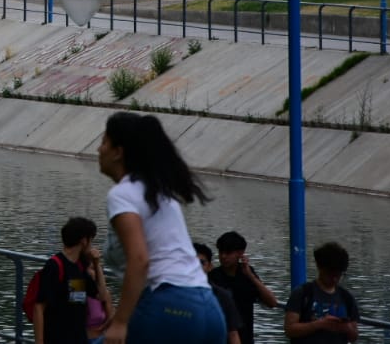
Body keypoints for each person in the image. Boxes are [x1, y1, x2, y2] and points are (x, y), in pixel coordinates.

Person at [97, 112, 224, 344]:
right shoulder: (160, 193)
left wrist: (121, 322)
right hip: (210, 310)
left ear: (118, 152)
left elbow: (139, 259)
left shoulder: (122, 194)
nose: (99, 149)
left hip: (169, 306)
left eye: (104, 141)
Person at [33, 216, 105, 344]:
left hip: (78, 338)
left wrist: (97, 264)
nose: (92, 245)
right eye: (91, 240)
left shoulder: (80, 266)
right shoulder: (54, 266)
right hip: (57, 338)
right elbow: (39, 306)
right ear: (84, 241)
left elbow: (101, 295)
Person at [208, 230, 278, 344]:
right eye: (221, 252)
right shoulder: (213, 277)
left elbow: (272, 302)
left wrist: (251, 276)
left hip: (246, 336)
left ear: (240, 253)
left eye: (228, 252)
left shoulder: (247, 275)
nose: (223, 256)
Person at [283, 241, 359, 343]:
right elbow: (289, 329)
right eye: (331, 274)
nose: (335, 279)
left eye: (339, 275)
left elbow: (354, 337)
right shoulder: (303, 293)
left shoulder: (347, 298)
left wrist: (347, 328)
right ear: (320, 267)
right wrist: (319, 324)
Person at [195, 243, 243, 344]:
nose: (196, 267)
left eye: (201, 262)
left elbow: (233, 333)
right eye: (191, 262)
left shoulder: (222, 296)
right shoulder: (173, 294)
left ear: (210, 266)